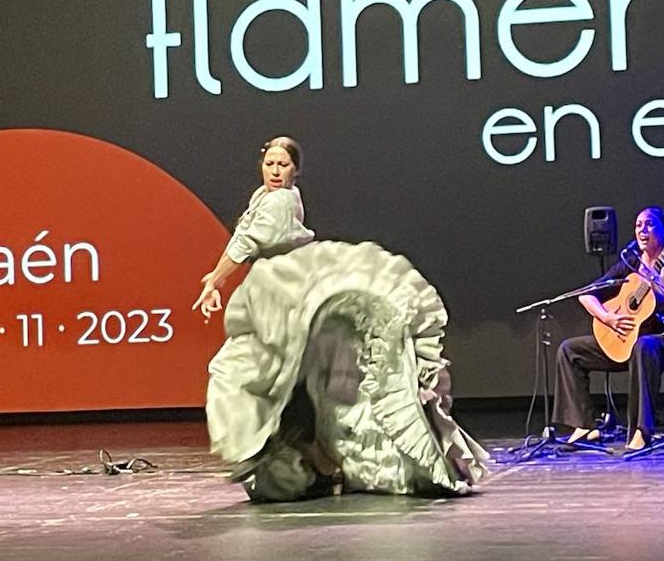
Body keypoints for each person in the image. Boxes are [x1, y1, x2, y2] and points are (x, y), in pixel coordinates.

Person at [192, 136, 488, 501]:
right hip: (276, 290)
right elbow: (243, 239)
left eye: (283, 165)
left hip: (287, 291)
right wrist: (217, 280)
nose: (275, 171)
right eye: (270, 163)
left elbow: (246, 244)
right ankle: (305, 460)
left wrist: (214, 279)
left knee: (258, 374)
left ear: (296, 170)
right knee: (292, 381)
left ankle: (305, 457)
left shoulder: (282, 202)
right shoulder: (264, 197)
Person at [552, 206, 664, 451]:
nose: (641, 230)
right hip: (630, 341)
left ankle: (641, 431)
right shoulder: (631, 263)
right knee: (570, 350)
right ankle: (584, 426)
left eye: (648, 224)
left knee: (643, 346)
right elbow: (587, 295)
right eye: (638, 225)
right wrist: (607, 318)